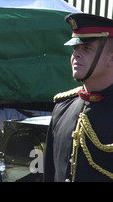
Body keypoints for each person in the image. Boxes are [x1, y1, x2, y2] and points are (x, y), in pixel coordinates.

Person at [44, 13, 113, 182]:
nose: (76, 55)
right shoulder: (63, 107)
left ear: (111, 58)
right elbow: (50, 174)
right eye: (75, 48)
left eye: (87, 48)